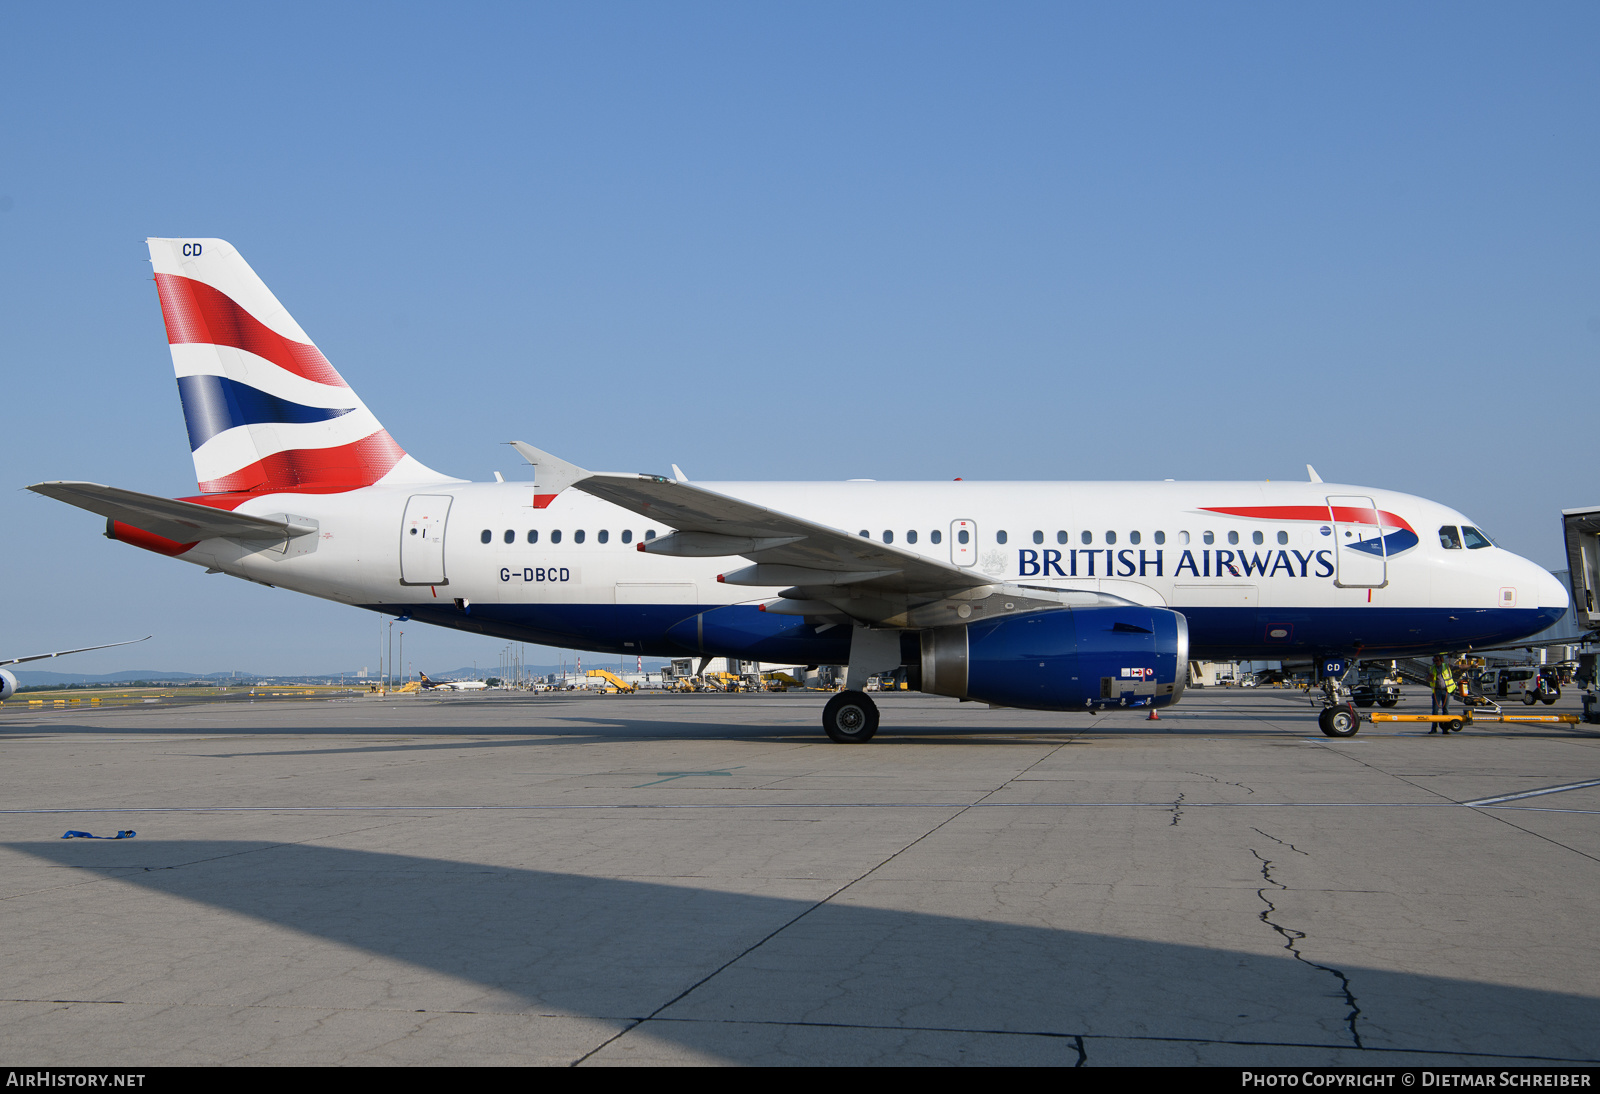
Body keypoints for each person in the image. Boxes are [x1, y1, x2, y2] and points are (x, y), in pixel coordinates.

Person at [1428, 655, 1455, 732]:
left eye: (1437, 661)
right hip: (1437, 691)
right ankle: (1434, 728)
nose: (1436, 662)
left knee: (1445, 710)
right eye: (1435, 661)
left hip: (1446, 691)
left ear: (1441, 660)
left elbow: (1459, 667)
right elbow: (1427, 679)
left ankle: (1445, 728)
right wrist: (1430, 677)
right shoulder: (1432, 668)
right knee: (1435, 710)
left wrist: (1471, 665)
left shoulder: (1446, 666)